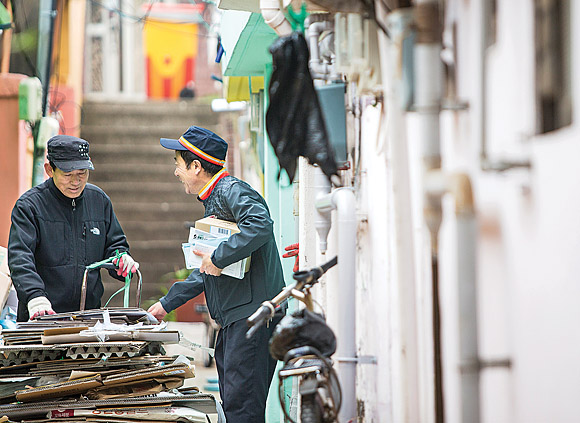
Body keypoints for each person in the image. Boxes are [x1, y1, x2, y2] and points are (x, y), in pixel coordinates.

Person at [148, 126, 285, 422]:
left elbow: (260, 224)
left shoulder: (230, 190)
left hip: (253, 317)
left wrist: (219, 258)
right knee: (236, 404)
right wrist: (166, 304)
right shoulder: (214, 199)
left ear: (197, 166)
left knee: (242, 409)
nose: (176, 172)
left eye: (179, 165)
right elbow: (205, 270)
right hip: (237, 319)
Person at [8, 135, 139, 321]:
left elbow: (114, 245)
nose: (76, 182)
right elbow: (20, 258)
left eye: (82, 173)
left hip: (88, 317)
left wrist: (122, 259)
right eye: (68, 175)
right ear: (49, 170)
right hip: (42, 315)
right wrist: (34, 296)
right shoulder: (29, 207)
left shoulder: (99, 201)